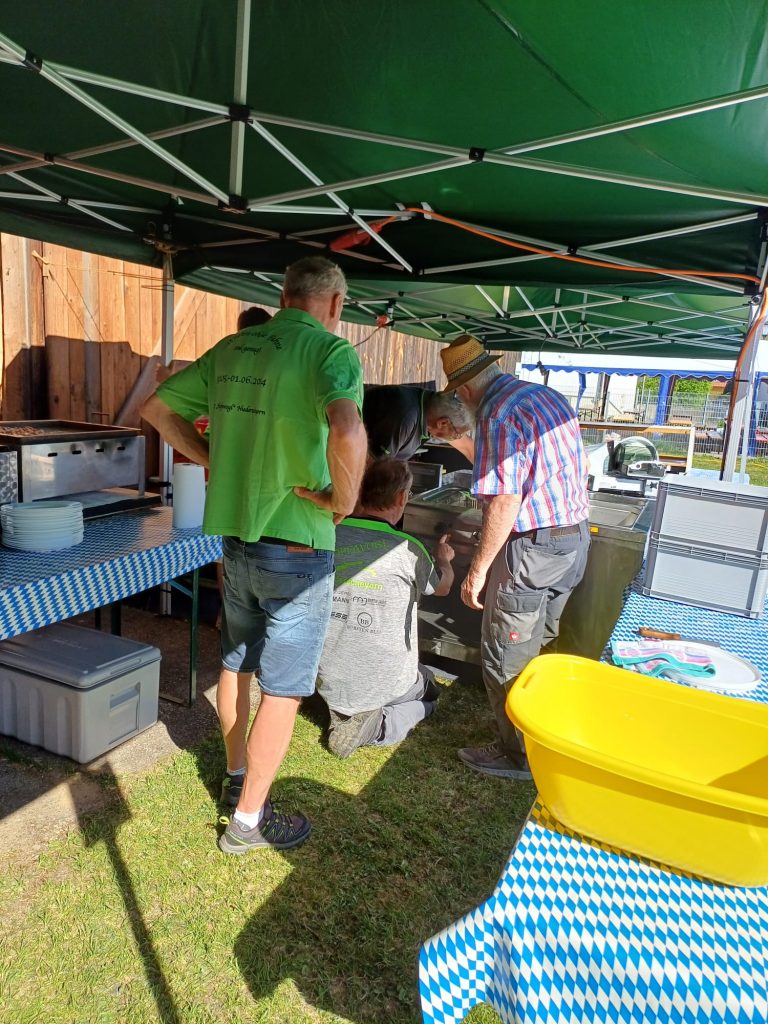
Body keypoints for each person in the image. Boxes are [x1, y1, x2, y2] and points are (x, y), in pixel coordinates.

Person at [141, 256, 368, 853]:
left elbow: (156, 409)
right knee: (285, 690)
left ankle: (237, 775)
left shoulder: (233, 348)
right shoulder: (330, 352)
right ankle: (247, 822)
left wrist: (211, 458)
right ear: (336, 304)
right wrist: (343, 500)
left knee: (237, 664)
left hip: (236, 544)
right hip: (297, 547)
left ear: (284, 295)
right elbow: (348, 428)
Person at [440, 335, 590, 781]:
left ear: (465, 390)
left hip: (534, 548)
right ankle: (542, 732)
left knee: (507, 652)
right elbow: (530, 468)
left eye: (457, 397)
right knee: (540, 645)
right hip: (572, 540)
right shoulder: (544, 396)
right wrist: (458, 440)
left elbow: (505, 500)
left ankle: (518, 755)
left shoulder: (496, 415)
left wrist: (478, 571)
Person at [316, 458, 455, 757]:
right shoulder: (408, 548)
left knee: (415, 677)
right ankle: (379, 724)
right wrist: (444, 560)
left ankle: (349, 712)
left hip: (327, 673)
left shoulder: (328, 533)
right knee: (429, 688)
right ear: (402, 497)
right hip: (389, 679)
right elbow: (442, 587)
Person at [362, 384, 474, 461]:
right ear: (443, 423)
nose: (457, 438)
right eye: (457, 434)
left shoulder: (431, 408)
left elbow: (468, 448)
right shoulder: (405, 420)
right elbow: (372, 466)